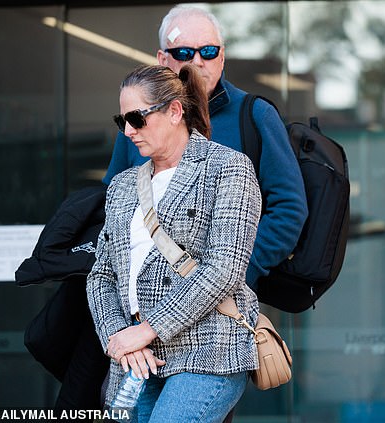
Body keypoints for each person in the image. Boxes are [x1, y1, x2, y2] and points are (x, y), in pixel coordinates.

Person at [86, 63, 262, 422]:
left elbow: (224, 268)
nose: (129, 132)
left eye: (137, 118)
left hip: (206, 348)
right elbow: (101, 275)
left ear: (174, 111)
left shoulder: (227, 168)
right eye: (122, 122)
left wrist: (146, 329)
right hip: (135, 358)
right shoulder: (121, 186)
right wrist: (121, 338)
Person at [103, 5, 309, 294]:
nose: (198, 61)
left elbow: (289, 210)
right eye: (184, 53)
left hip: (228, 303)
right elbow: (113, 209)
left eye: (209, 51)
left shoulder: (256, 116)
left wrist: (233, 277)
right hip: (144, 299)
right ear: (162, 59)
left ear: (222, 57)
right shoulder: (137, 124)